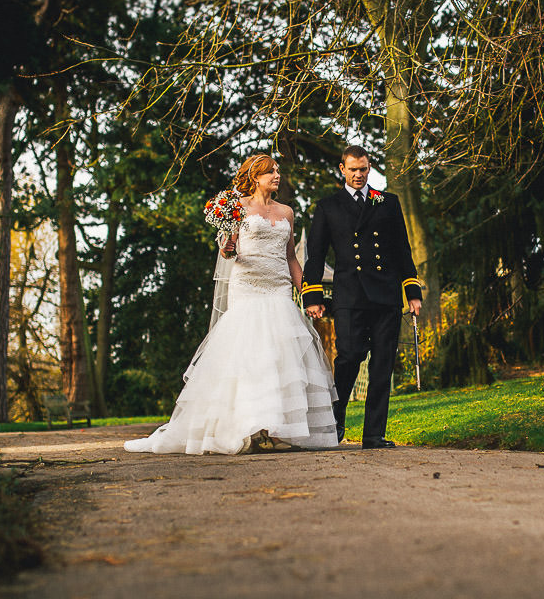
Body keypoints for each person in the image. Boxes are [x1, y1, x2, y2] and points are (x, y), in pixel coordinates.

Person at [124, 154, 339, 455]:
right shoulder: (237, 207)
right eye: (270, 172)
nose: (277, 175)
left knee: (280, 358)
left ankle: (274, 429)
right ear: (255, 177)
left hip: (278, 291)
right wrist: (226, 246)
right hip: (248, 288)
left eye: (277, 171)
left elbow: (291, 257)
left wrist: (308, 293)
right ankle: (249, 427)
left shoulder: (287, 212)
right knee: (250, 359)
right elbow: (228, 251)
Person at [302, 145, 423, 449]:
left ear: (370, 168)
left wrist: (412, 291)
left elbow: (402, 250)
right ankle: (337, 415)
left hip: (386, 296)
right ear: (342, 169)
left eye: (364, 169)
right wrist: (312, 295)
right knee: (350, 356)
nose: (359, 174)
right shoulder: (328, 206)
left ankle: (373, 434)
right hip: (350, 296)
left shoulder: (387, 203)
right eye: (353, 169)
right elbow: (315, 254)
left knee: (382, 363)